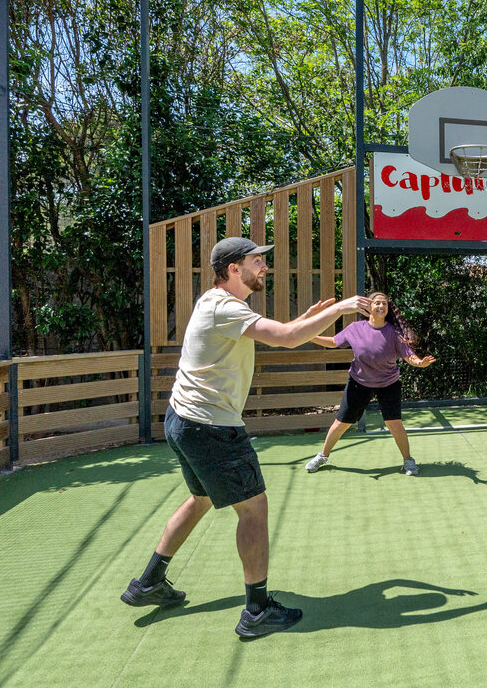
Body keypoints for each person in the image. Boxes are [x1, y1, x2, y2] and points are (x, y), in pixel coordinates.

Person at [121, 237, 369, 637]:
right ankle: (257, 610)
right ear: (234, 269)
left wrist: (305, 321)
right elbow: (286, 337)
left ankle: (149, 582)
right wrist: (341, 309)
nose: (264, 267)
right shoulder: (225, 307)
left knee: (201, 499)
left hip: (183, 420)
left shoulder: (215, 302)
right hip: (211, 428)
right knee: (254, 509)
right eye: (257, 261)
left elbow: (286, 332)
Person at [304, 291, 436, 475]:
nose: (381, 306)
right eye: (377, 303)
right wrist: (309, 336)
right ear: (369, 307)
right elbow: (334, 342)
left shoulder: (394, 332)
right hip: (359, 382)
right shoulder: (355, 328)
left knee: (394, 424)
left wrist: (420, 363)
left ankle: (408, 460)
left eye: (385, 304)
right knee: (341, 423)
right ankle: (323, 456)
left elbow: (408, 355)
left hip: (388, 384)